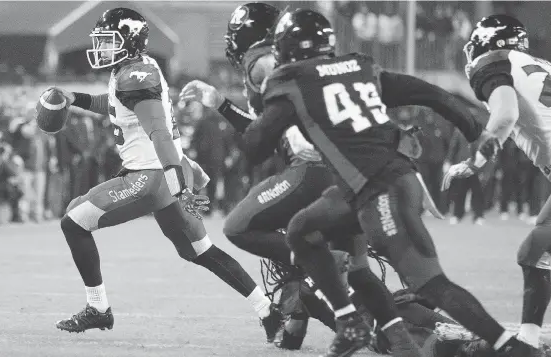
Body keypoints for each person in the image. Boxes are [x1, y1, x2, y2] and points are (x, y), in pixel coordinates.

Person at [239, 9, 538, 357]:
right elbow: (428, 92)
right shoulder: (358, 69)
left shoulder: (290, 81)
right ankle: (351, 323)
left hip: (378, 190)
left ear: (286, 48)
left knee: (431, 283)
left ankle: (510, 347)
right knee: (301, 229)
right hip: (382, 181)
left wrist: (253, 105)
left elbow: (255, 147)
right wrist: (474, 129)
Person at [180, 4, 427, 355]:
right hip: (349, 175)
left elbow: (272, 130)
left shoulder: (264, 63)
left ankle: (354, 313)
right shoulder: (302, 67)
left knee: (244, 230)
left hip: (316, 169)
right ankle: (410, 341)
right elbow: (262, 131)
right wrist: (220, 103)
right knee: (354, 274)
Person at [47, 8, 281, 341]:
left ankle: (98, 308)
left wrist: (178, 184)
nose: (103, 49)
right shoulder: (133, 71)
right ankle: (268, 311)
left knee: (73, 221)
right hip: (164, 177)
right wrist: (77, 98)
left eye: (110, 42)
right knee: (199, 250)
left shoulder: (134, 77)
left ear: (129, 41)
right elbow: (114, 105)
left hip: (148, 177)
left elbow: (158, 132)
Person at [443, 13, 551, 352]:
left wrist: (474, 164)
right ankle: (527, 342)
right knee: (538, 248)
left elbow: (506, 114)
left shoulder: (493, 63)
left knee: (535, 251)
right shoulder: (538, 64)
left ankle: (526, 345)